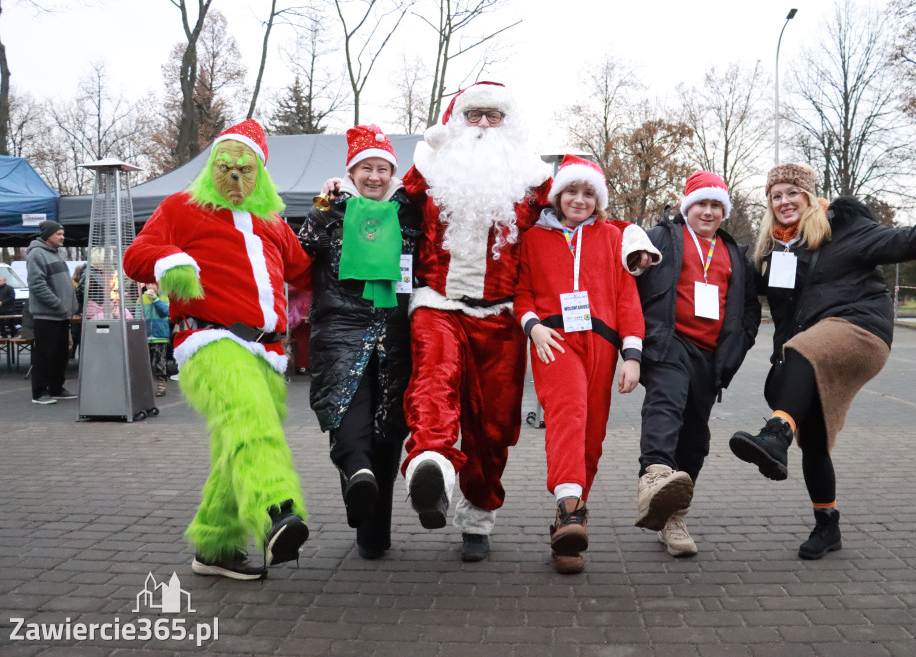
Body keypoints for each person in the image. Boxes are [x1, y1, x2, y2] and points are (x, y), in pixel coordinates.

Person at [398, 82, 658, 562]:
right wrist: (339, 193)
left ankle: (477, 515)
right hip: (439, 303)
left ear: (508, 124)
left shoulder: (530, 181)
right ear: (456, 119)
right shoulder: (429, 169)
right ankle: (429, 463)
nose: (482, 125)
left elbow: (583, 212)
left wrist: (633, 237)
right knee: (434, 382)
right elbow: (378, 200)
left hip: (502, 316)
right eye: (473, 114)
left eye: (493, 117)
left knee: (495, 426)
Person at [728, 163, 916, 559]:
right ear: (769, 204)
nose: (785, 201)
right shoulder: (771, 251)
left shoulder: (845, 228)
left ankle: (775, 433)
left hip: (860, 330)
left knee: (807, 349)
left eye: (792, 192)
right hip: (809, 348)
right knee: (815, 439)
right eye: (776, 195)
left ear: (808, 196)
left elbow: (902, 241)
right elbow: (740, 285)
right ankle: (827, 524)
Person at [124, 119, 314, 580]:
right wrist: (168, 258)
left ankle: (215, 547)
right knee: (251, 425)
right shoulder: (182, 207)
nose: (234, 177)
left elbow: (305, 272)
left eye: (245, 169)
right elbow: (136, 256)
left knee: (237, 447)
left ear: (260, 173)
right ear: (212, 165)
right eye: (225, 166)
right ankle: (276, 512)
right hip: (209, 339)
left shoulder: (272, 222)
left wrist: (334, 215)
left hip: (266, 351)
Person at [514, 155, 645, 574]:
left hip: (602, 344)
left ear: (599, 200)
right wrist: (532, 326)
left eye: (589, 193)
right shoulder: (533, 238)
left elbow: (628, 298)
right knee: (568, 412)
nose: (579, 199)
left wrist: (632, 355)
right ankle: (569, 504)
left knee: (592, 436)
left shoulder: (613, 238)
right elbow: (522, 292)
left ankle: (567, 528)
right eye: (571, 190)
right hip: (552, 340)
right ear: (556, 195)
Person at [299, 124, 420, 560]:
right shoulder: (329, 211)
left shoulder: (411, 212)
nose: (374, 176)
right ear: (351, 172)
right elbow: (297, 259)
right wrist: (323, 202)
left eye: (382, 168)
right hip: (340, 332)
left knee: (388, 428)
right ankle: (357, 473)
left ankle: (372, 533)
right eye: (365, 168)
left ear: (393, 172)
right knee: (347, 411)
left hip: (396, 336)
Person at [634, 171, 761, 557]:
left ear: (724, 211)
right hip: (668, 342)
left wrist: (739, 346)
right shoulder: (660, 238)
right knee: (666, 404)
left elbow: (750, 308)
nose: (708, 211)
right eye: (701, 204)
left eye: (715, 205)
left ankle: (672, 516)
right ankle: (653, 473)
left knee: (696, 441)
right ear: (688, 207)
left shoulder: (736, 254)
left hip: (711, 356)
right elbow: (624, 259)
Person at [26, 220, 79, 405]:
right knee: (45, 354)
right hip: (47, 315)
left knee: (60, 354)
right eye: (58, 234)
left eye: (62, 233)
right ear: (47, 235)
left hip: (62, 315)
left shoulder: (56, 254)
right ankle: (39, 393)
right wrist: (57, 304)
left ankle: (57, 388)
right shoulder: (37, 254)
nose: (62, 237)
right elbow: (37, 285)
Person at [136, 282, 170, 396]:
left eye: (153, 284)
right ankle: (146, 386)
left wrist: (155, 299)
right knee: (145, 362)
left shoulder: (164, 297)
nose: (151, 287)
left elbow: (165, 312)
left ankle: (161, 386)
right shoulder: (141, 298)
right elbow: (138, 315)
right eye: (148, 284)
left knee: (160, 362)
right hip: (145, 336)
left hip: (160, 336)